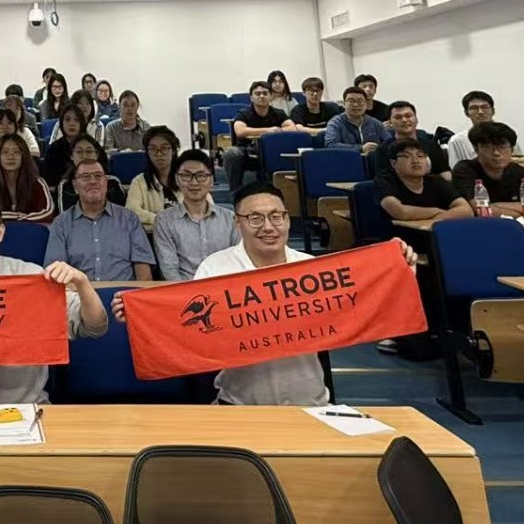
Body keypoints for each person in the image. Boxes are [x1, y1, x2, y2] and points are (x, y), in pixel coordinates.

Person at [123, 185, 416, 404]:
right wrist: (142, 316)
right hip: (239, 404)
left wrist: (397, 268)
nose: (268, 227)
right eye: (255, 218)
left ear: (288, 220)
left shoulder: (312, 268)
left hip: (311, 402)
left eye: (276, 216)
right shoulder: (215, 268)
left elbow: (361, 305)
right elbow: (192, 331)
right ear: (237, 223)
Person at [0, 187, 107, 404]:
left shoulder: (32, 278)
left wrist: (82, 283)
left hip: (25, 409)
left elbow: (95, 326)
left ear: (0, 233)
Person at [45, 154, 153, 281]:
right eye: (85, 177)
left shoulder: (129, 219)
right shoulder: (61, 224)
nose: (92, 181)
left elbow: (144, 274)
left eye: (98, 176)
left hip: (123, 292)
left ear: (106, 182)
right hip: (78, 292)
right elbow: (56, 274)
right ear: (75, 186)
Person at [152, 149, 239, 281]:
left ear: (211, 180)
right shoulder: (164, 221)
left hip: (224, 289)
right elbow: (169, 270)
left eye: (201, 175)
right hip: (183, 290)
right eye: (186, 175)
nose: (194, 182)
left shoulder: (230, 218)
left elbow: (237, 262)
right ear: (177, 179)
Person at [450, 122, 524, 217]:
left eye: (502, 146)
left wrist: (496, 206)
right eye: (488, 147)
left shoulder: (518, 171)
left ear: (512, 149)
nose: (496, 153)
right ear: (476, 149)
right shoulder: (464, 170)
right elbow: (482, 210)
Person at [378, 139, 473, 223]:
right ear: (393, 163)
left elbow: (467, 210)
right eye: (407, 156)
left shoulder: (435, 180)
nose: (415, 161)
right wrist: (436, 211)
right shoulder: (385, 181)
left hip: (432, 233)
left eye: (420, 155)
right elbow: (402, 212)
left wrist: (437, 219)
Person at [222, 80, 287, 190]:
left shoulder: (278, 113)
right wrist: (268, 131)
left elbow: (291, 127)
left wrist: (277, 130)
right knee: (232, 153)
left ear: (271, 96)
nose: (262, 96)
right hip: (248, 153)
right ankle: (236, 192)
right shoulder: (244, 113)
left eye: (265, 93)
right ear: (251, 98)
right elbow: (240, 131)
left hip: (271, 152)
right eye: (257, 94)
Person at [0, 133, 53, 221]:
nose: (11, 157)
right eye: (5, 152)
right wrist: (18, 216)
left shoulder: (38, 182)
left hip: (29, 229)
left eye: (16, 152)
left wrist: (14, 219)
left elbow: (47, 213)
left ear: (24, 156)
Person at [371, 102, 448, 184]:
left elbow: (445, 173)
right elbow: (383, 180)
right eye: (398, 117)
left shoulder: (432, 145)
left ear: (416, 119)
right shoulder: (383, 150)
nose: (404, 120)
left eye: (408, 116)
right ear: (390, 122)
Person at [125, 126, 181, 234]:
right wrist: (163, 222)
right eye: (153, 149)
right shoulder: (139, 182)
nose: (159, 154)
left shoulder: (187, 178)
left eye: (164, 148)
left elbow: (204, 208)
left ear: (173, 150)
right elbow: (131, 211)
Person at [56, 136, 124, 213]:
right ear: (71, 156)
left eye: (89, 151)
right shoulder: (65, 185)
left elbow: (121, 213)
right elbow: (65, 215)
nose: (84, 156)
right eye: (79, 152)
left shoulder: (113, 182)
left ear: (97, 155)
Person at [0, 104, 40, 177]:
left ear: (15, 127)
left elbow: (31, 172)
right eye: (0, 123)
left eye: (9, 123)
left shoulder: (23, 149)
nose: (5, 127)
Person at [322, 86, 389, 153]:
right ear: (344, 104)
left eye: (360, 101)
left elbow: (389, 142)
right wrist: (360, 148)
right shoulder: (336, 123)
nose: (356, 105)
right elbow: (331, 145)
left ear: (366, 104)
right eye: (351, 101)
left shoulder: (375, 123)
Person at [42, 106, 91, 185]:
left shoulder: (91, 146)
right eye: (67, 119)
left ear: (82, 123)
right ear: (61, 123)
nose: (72, 124)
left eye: (76, 120)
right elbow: (49, 180)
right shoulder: (53, 149)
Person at [447, 91, 497, 166]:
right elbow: (456, 169)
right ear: (466, 113)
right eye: (474, 108)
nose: (480, 112)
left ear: (493, 111)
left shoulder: (506, 135)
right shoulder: (457, 141)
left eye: (484, 107)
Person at [102, 89, 150, 153]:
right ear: (119, 107)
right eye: (125, 105)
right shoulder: (111, 127)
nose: (129, 109)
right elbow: (108, 151)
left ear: (137, 106)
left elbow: (150, 150)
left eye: (133, 105)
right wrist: (123, 153)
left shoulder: (146, 127)